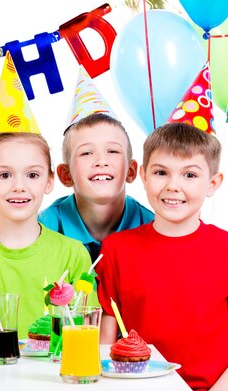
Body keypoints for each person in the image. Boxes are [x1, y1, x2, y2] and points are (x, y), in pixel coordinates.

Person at [97, 123, 228, 391]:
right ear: (144, 176)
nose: (173, 186)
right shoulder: (116, 249)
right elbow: (105, 343)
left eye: (190, 175)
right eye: (161, 172)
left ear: (212, 183)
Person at [0, 132, 93, 340]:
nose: (19, 186)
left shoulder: (74, 254)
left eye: (33, 175)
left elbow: (85, 336)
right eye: (5, 175)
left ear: (49, 181)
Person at [39, 113, 153, 260]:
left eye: (112, 151)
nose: (101, 161)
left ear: (130, 171)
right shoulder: (43, 228)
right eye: (86, 153)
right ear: (66, 175)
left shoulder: (151, 226)